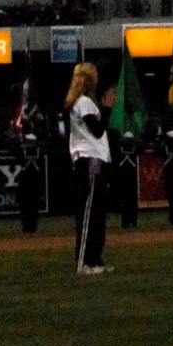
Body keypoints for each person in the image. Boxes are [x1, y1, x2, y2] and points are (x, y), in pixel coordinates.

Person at [67, 60, 110, 276]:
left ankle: (95, 260)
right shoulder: (82, 102)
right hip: (88, 160)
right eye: (94, 76)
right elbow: (97, 130)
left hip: (95, 161)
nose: (98, 79)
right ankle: (84, 262)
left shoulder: (88, 102)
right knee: (89, 213)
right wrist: (108, 109)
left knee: (98, 213)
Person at [15, 132, 44, 236]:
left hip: (34, 181)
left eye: (32, 142)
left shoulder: (38, 151)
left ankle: (33, 226)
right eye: (29, 142)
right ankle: (25, 225)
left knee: (34, 205)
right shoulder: (22, 151)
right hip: (24, 181)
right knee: (24, 205)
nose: (30, 144)